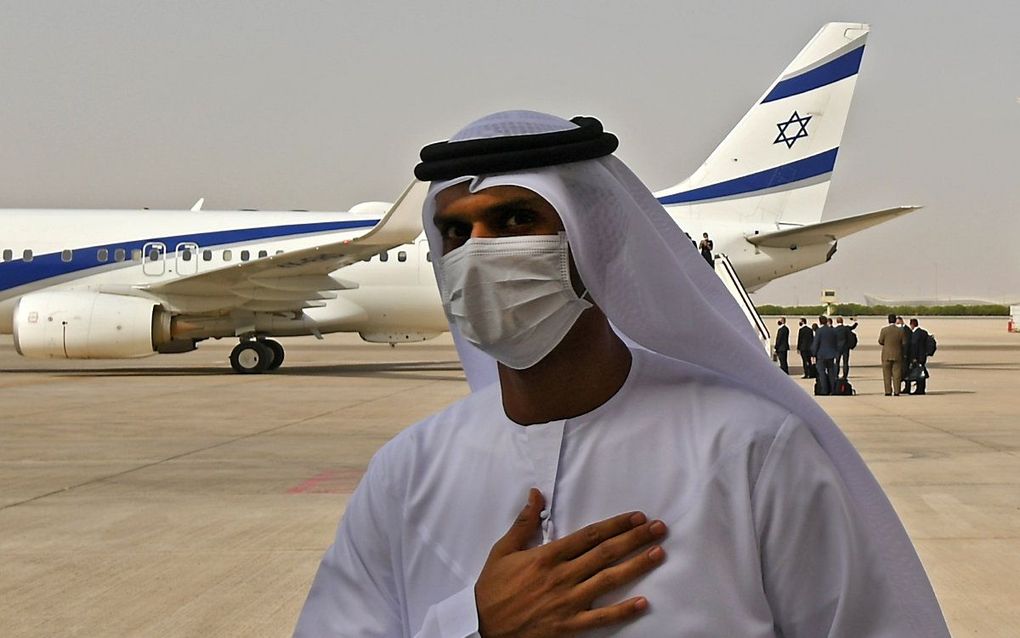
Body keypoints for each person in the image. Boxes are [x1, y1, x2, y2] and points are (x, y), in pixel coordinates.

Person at [294, 111, 948, 637]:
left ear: (591, 241)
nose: (479, 253)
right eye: (455, 233)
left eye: (516, 220)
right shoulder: (407, 472)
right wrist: (478, 624)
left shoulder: (750, 449)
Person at [879, 313, 909, 396]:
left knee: (887, 375)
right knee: (897, 374)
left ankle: (888, 391)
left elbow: (881, 341)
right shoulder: (900, 330)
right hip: (897, 354)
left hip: (886, 354)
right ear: (895, 320)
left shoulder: (884, 330)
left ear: (888, 320)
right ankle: (897, 391)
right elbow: (904, 342)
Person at [811, 315, 839, 394]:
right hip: (831, 354)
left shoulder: (819, 331)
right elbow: (836, 343)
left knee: (822, 372)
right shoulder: (832, 331)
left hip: (821, 355)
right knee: (831, 372)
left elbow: (816, 343)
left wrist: (813, 354)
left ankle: (824, 390)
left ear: (820, 322)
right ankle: (833, 390)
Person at [907, 318, 930, 395]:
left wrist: (913, 357)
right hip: (923, 356)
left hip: (918, 357)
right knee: (922, 372)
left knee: (918, 372)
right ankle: (922, 388)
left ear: (912, 325)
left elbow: (914, 347)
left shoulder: (915, 334)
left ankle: (919, 390)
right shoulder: (924, 332)